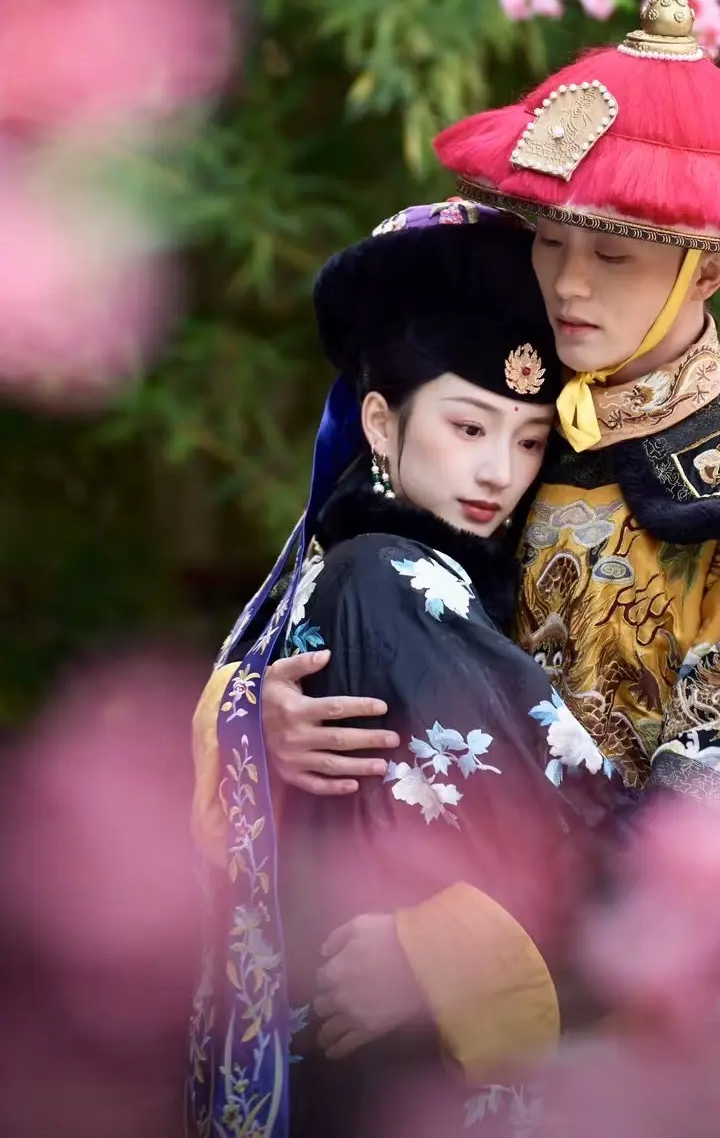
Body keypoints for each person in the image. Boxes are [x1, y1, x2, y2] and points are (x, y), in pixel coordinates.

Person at [249, 0, 720, 1039]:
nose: (568, 285)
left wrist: (444, 961)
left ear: (707, 268)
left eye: (614, 255)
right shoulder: (512, 416)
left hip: (665, 1045)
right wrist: (276, 726)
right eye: (550, 242)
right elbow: (339, 624)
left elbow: (698, 870)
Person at [187, 202, 630, 1138]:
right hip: (404, 1065)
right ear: (381, 424)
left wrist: (247, 721)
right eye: (468, 428)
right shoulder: (388, 577)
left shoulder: (362, 573)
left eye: (528, 439)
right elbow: (583, 834)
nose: (499, 473)